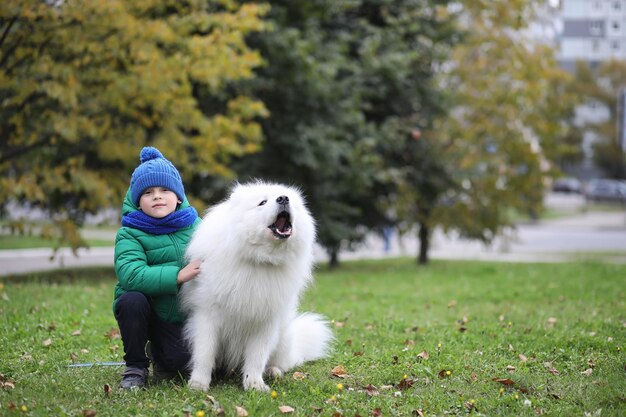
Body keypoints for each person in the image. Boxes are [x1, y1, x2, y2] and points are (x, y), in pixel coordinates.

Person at [113, 146, 202, 389]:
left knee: (180, 365)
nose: (157, 196)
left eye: (165, 190)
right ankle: (136, 366)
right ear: (138, 202)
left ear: (179, 197)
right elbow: (130, 274)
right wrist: (178, 275)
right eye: (148, 192)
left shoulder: (197, 227)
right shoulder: (129, 233)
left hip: (184, 317)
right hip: (151, 313)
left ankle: (162, 353)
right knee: (131, 300)